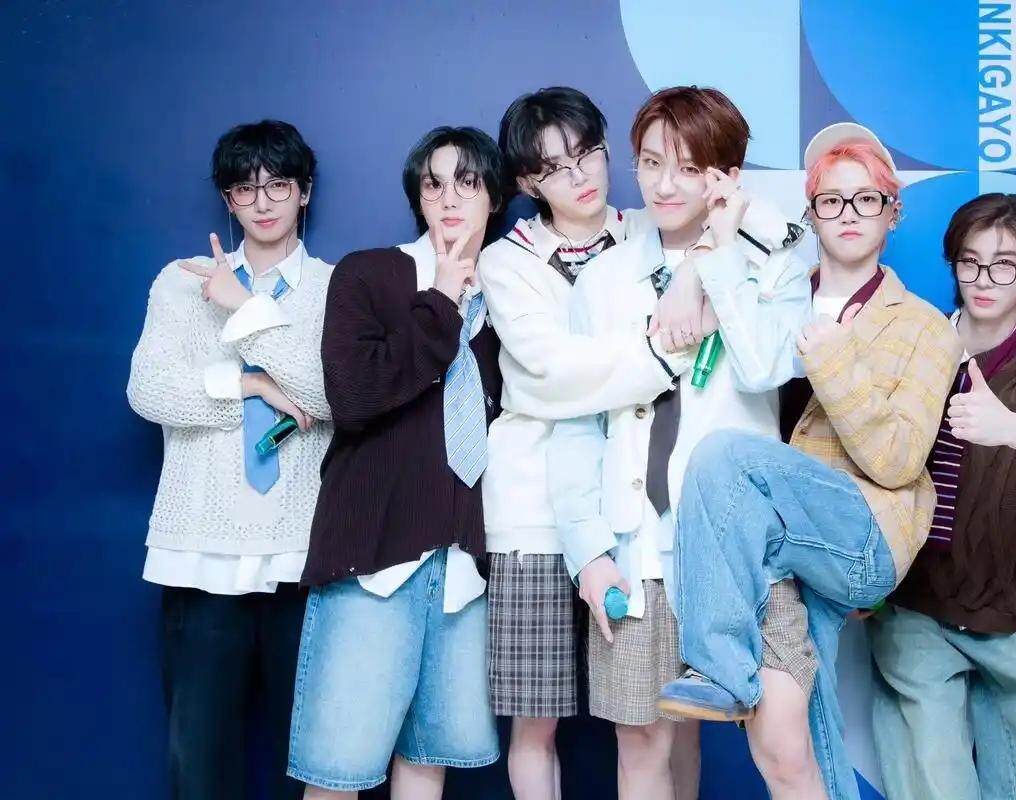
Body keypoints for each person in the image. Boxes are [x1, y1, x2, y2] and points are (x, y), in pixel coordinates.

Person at [479, 86, 798, 800]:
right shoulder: (599, 274)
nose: (664, 182)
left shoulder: (761, 248)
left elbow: (769, 343)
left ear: (723, 176)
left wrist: (706, 263)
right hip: (631, 540)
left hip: (736, 542)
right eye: (650, 163)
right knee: (641, 738)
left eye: (686, 166)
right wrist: (589, 550)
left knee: (778, 745)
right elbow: (573, 417)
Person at [657, 122, 961, 800]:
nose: (848, 213)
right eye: (831, 200)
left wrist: (832, 356)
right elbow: (746, 366)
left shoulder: (925, 327)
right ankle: (733, 675)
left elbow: (897, 459)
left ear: (892, 213)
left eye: (866, 199)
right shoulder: (780, 291)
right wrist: (697, 269)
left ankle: (717, 667)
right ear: (812, 214)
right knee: (789, 744)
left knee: (724, 453)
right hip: (780, 546)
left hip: (863, 533)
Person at [285, 127, 505, 799]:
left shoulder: (510, 295)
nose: (449, 199)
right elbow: (353, 397)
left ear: (494, 197)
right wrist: (440, 301)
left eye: (467, 182)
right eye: (433, 184)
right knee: (336, 772)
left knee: (427, 762)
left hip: (462, 566)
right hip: (373, 558)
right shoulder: (370, 273)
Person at [868, 193, 1016, 800]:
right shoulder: (915, 343)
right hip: (916, 602)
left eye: (1004, 265)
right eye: (970, 262)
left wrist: (1012, 429)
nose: (983, 279)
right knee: (930, 779)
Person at [128, 119, 332, 800]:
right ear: (228, 200)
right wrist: (249, 385)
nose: (263, 202)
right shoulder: (182, 281)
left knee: (312, 765)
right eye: (246, 189)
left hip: (301, 556)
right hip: (200, 552)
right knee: (199, 765)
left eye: (279, 186)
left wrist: (244, 310)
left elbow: (330, 395)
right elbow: (149, 390)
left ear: (305, 192)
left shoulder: (336, 288)